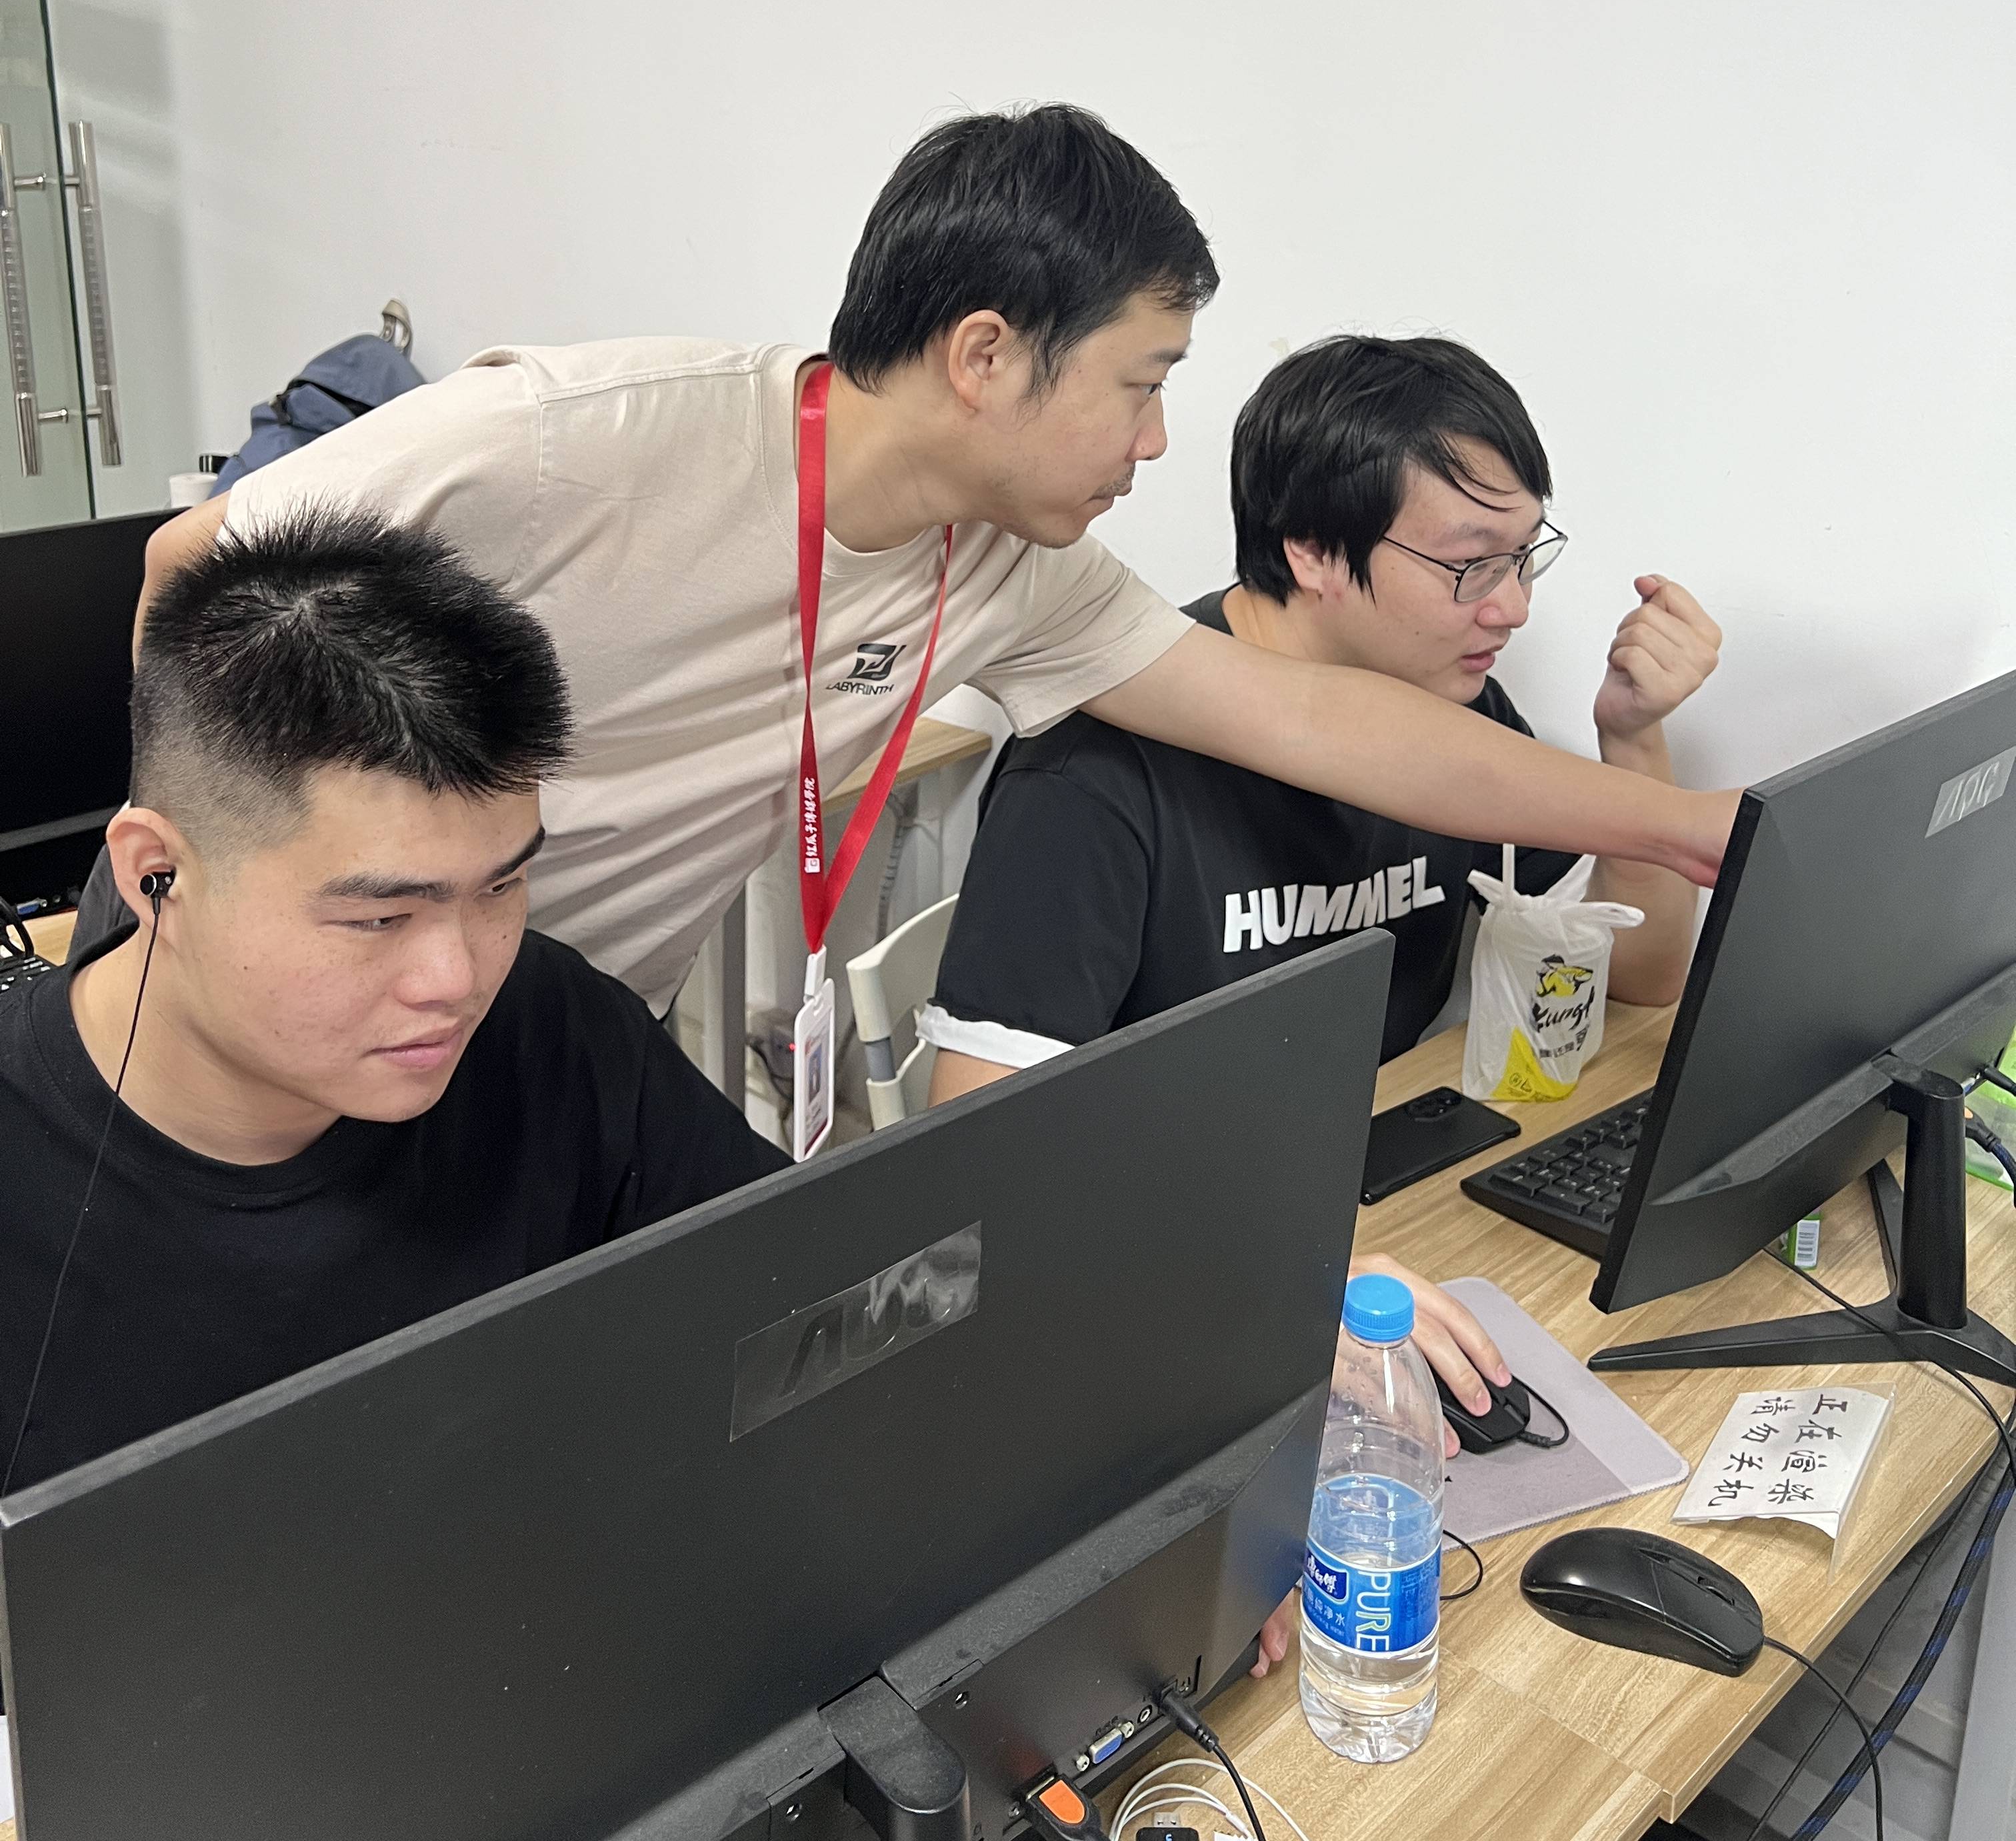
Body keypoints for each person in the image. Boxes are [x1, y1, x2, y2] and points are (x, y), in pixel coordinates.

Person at [140, 109, 1737, 1014]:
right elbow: (195, 562)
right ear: (985, 356)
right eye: (1142, 383)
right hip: (280, 1008)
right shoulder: (583, 439)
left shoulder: (1018, 572)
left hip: (545, 1034)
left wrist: (1676, 826)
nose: (1155, 442)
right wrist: (214, 920)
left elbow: (1319, 723)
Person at [919, 333, 1721, 1575]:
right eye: (1468, 565)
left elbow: (1642, 980)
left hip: (1370, 1220)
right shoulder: (1098, 769)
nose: (1510, 606)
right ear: (1310, 551)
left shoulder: (1453, 713)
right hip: (1154, 1284)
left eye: (1524, 557)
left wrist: (1636, 746)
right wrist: (1280, 1274)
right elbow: (981, 1155)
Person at [0, 511, 781, 1493]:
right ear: (159, 875)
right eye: (379, 918)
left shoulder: (554, 1027)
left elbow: (804, 1297)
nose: (458, 980)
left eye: (501, 885)